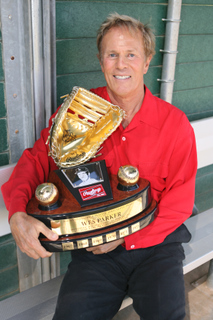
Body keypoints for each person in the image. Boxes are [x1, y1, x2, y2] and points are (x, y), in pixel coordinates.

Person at [1, 13, 197, 320]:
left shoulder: (174, 124)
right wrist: (17, 213)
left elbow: (180, 202)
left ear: (146, 62)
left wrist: (128, 237)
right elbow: (36, 160)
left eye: (131, 54)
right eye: (112, 55)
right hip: (96, 250)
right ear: (101, 61)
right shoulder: (79, 114)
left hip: (157, 243)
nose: (121, 64)